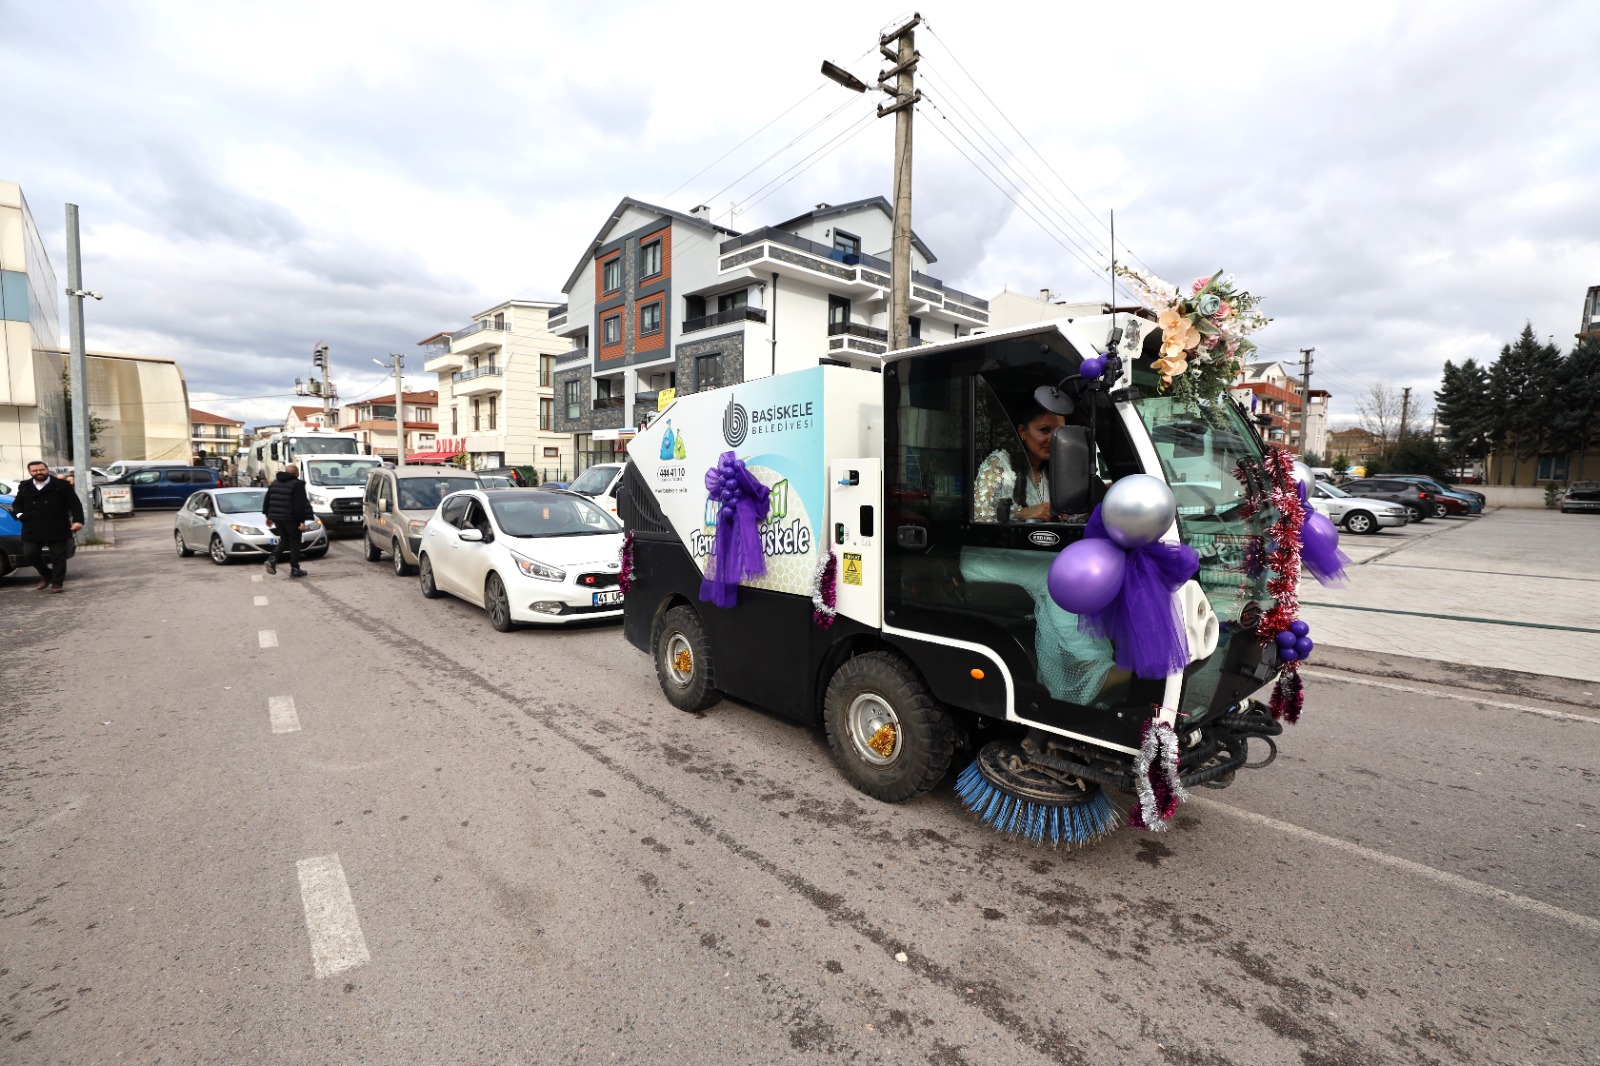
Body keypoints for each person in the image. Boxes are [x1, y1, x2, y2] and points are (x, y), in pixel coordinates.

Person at [974, 397, 1066, 523]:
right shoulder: (1000, 464)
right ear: (1022, 431)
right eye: (1044, 430)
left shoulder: (1060, 469)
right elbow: (979, 515)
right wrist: (1023, 513)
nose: (1052, 439)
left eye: (1059, 432)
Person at [12, 459, 85, 593]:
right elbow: (17, 505)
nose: (39, 472)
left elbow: (75, 503)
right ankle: (46, 573)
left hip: (57, 525)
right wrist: (21, 516)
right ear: (30, 472)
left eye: (42, 469)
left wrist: (78, 520)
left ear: (47, 470)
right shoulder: (24, 486)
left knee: (58, 556)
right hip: (32, 526)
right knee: (30, 553)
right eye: (35, 470)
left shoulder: (61, 485)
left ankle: (57, 583)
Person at [263, 464, 315, 577]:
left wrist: (268, 516)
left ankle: (272, 559)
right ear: (297, 474)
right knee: (295, 542)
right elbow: (299, 504)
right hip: (291, 518)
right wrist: (302, 521)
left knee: (285, 539)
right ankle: (295, 568)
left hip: (277, 518)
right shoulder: (297, 484)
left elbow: (267, 500)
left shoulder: (274, 483)